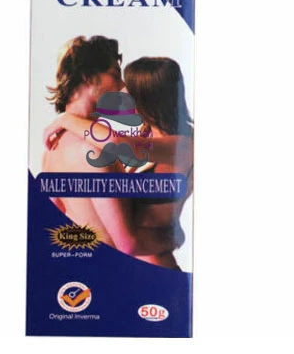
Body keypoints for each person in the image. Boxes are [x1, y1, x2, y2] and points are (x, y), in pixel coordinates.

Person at [44, 56, 194, 270]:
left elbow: (115, 143)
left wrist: (66, 119)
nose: (122, 92)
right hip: (131, 264)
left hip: (156, 266)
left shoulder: (184, 145)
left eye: (129, 89)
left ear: (148, 96)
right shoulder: (146, 135)